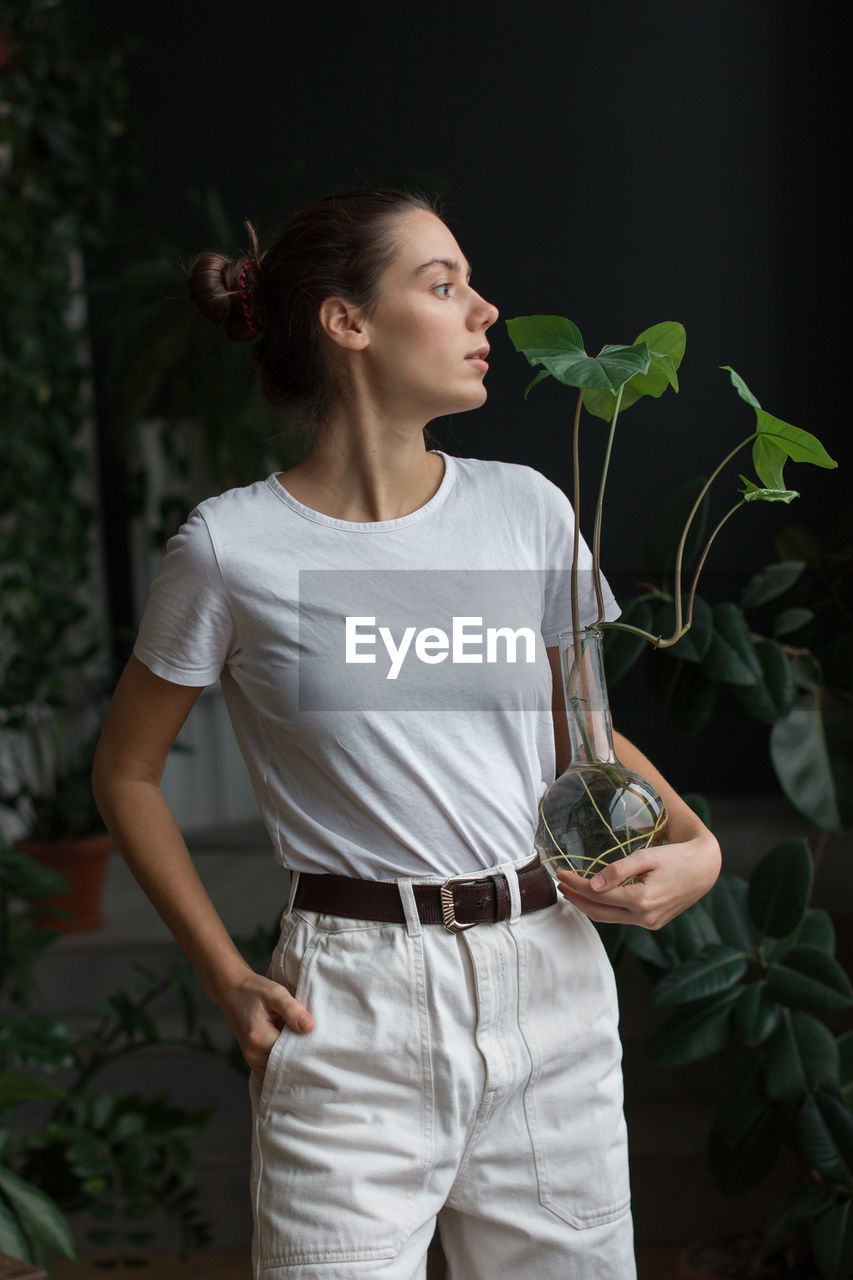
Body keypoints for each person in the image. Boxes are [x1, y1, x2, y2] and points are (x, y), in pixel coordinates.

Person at [92, 188, 721, 1280]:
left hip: (551, 986)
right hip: (351, 1012)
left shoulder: (527, 508)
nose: (484, 310)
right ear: (347, 322)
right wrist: (222, 970)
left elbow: (584, 737)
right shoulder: (230, 548)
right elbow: (126, 771)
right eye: (442, 284)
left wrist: (698, 842)